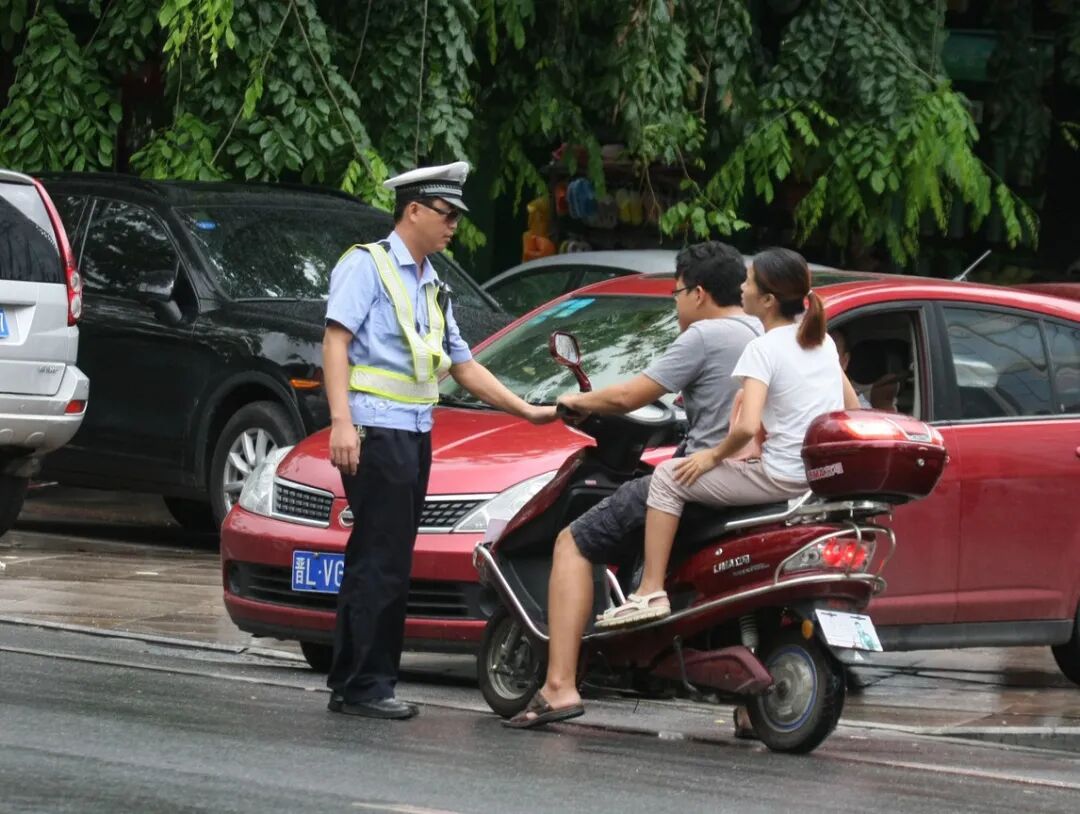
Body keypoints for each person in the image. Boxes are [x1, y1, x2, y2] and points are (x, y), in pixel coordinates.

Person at [323, 161, 556, 720]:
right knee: (382, 561)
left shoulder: (432, 282)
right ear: (414, 211)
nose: (453, 226)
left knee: (382, 557)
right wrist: (340, 423)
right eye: (446, 214)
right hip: (378, 433)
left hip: (413, 434)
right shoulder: (367, 266)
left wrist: (525, 410)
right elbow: (335, 343)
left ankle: (353, 680)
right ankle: (367, 687)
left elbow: (464, 366)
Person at [504, 241, 762, 729]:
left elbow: (629, 395)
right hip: (757, 483)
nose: (676, 301)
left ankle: (559, 685)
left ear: (700, 293)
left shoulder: (705, 335)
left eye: (677, 292)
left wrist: (570, 402)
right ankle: (750, 708)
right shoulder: (764, 332)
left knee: (575, 542)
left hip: (698, 480)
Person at [599, 247, 860, 632]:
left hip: (779, 476)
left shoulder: (763, 348)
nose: (742, 287)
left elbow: (742, 429)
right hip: (812, 477)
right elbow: (851, 408)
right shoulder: (819, 343)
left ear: (767, 300)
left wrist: (709, 458)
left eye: (750, 282)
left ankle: (650, 591)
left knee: (669, 477)